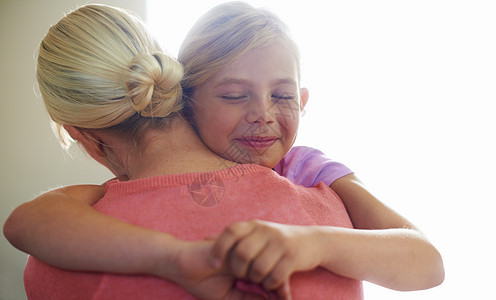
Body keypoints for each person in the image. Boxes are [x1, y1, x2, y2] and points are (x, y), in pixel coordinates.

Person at [3, 2, 444, 298]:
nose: (264, 116)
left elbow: (428, 261)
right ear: (183, 96)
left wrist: (312, 243)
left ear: (80, 133)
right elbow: (25, 220)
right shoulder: (324, 205)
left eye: (283, 97)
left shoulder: (66, 249)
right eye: (235, 96)